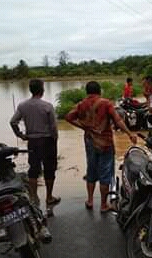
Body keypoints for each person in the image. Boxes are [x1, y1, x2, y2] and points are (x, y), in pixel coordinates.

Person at [65, 81, 137, 212]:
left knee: (91, 170)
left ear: (87, 92)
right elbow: (118, 120)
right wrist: (129, 133)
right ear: (99, 91)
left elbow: (68, 117)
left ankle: (90, 200)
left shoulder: (81, 104)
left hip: (90, 142)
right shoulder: (106, 103)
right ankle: (103, 205)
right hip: (105, 143)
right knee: (105, 173)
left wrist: (83, 127)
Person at [10, 79, 60, 209]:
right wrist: (55, 139)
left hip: (32, 141)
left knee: (33, 169)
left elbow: (13, 122)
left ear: (30, 90)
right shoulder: (47, 106)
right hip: (47, 140)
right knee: (49, 169)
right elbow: (53, 127)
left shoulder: (23, 105)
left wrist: (20, 135)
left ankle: (33, 198)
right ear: (42, 90)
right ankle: (49, 197)